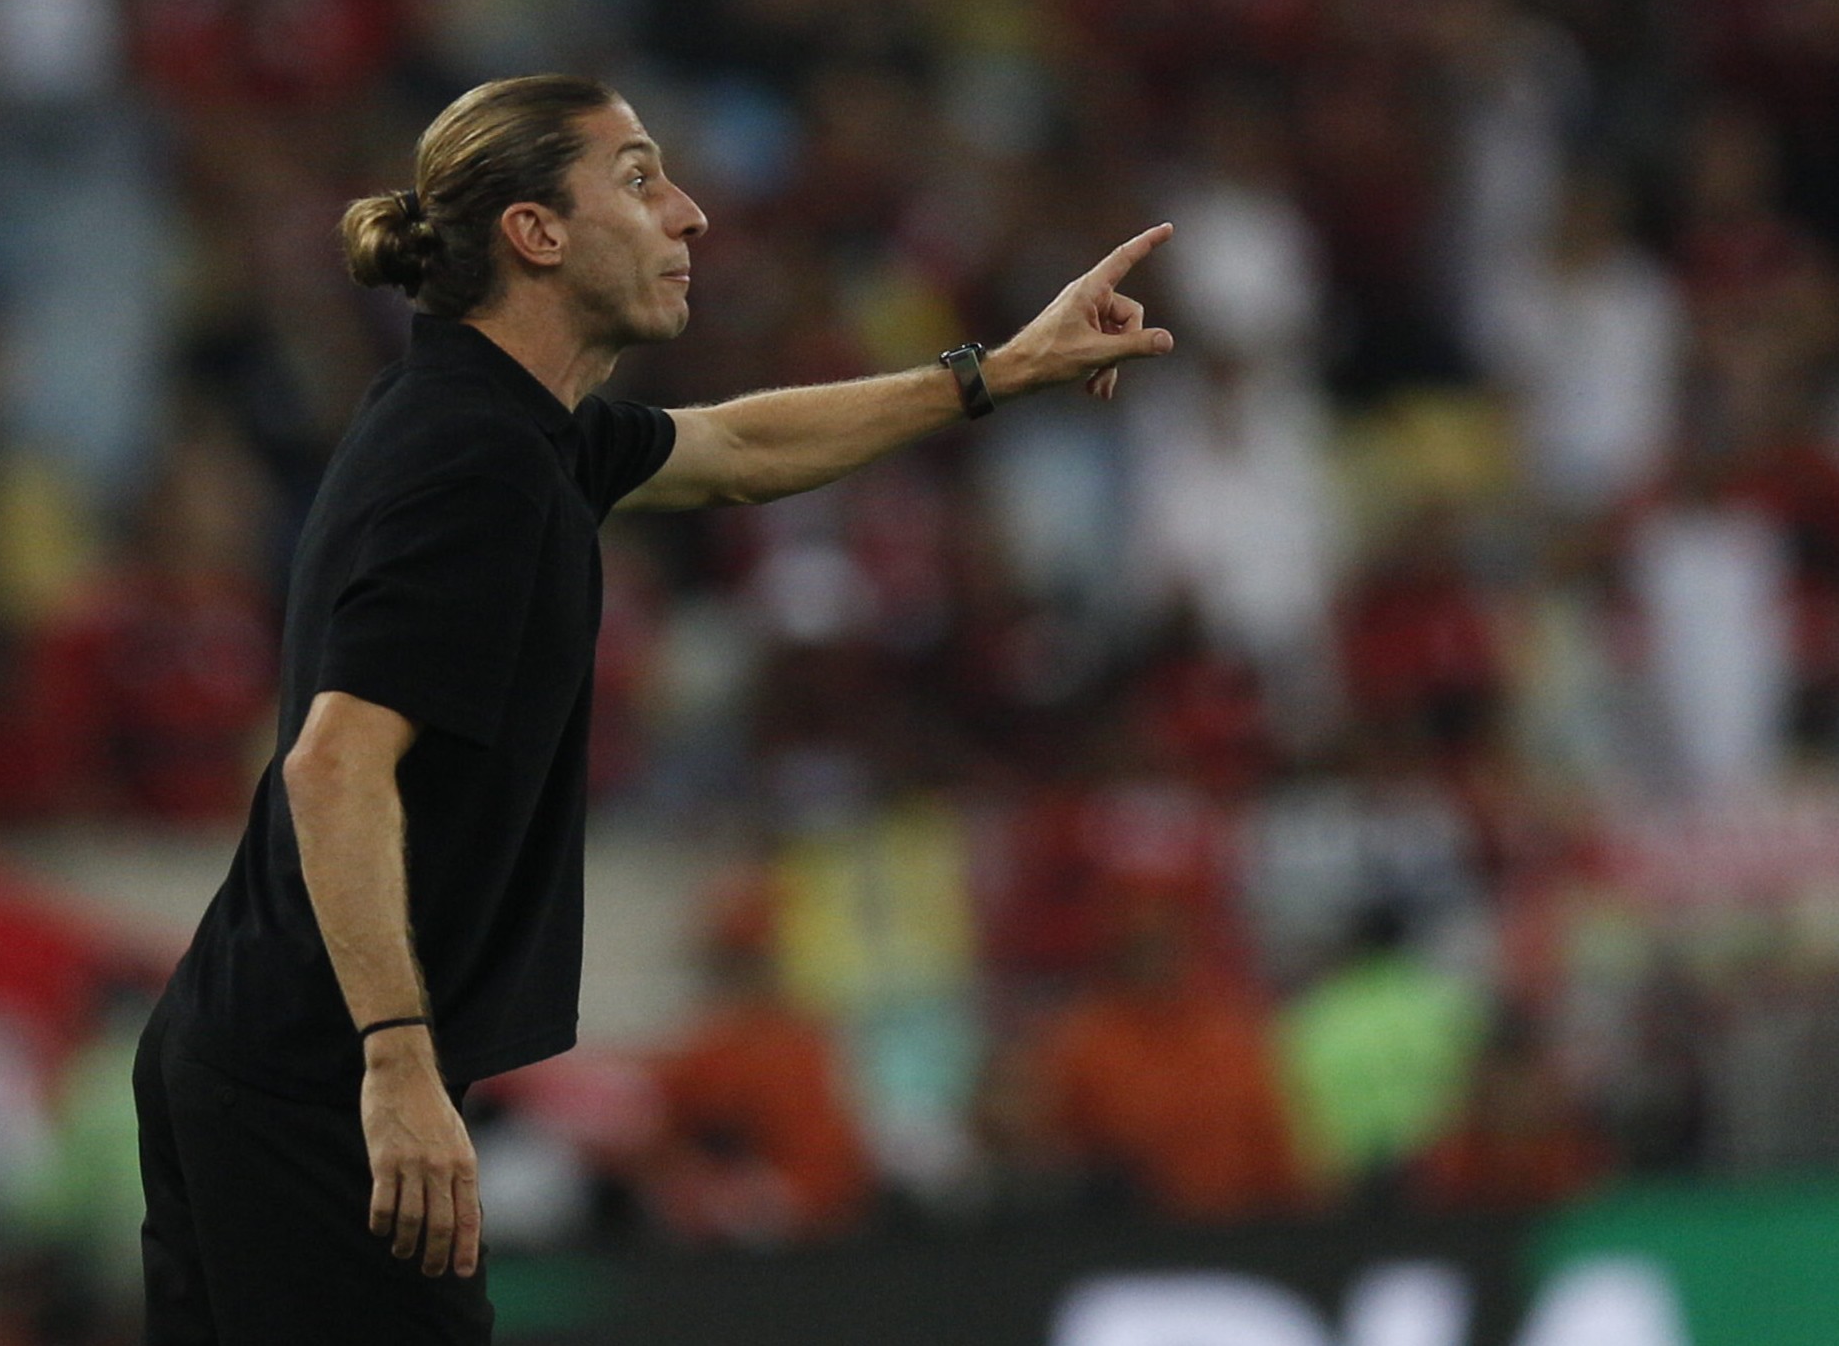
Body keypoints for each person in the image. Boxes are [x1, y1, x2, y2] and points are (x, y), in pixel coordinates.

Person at [132, 73, 1174, 1345]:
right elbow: (335, 763)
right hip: (318, 1078)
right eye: (637, 179)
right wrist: (398, 1060)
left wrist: (999, 370)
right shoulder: (476, 460)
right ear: (535, 232)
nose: (686, 213)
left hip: (266, 1057)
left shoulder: (509, 426)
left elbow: (738, 450)